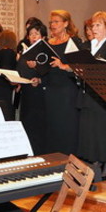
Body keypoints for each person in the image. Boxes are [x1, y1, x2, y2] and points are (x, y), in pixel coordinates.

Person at [77, 11, 106, 181]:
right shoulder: (87, 46)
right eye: (93, 25)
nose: (94, 28)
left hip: (103, 95)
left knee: (104, 131)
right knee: (90, 130)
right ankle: (95, 161)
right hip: (87, 92)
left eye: (98, 25)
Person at [39, 10, 82, 155]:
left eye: (56, 21)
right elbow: (44, 67)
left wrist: (63, 66)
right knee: (53, 125)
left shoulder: (74, 42)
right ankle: (54, 159)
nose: (52, 25)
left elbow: (81, 67)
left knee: (67, 125)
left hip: (67, 90)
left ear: (66, 23)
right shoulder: (47, 43)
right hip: (51, 89)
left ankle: (69, 158)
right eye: (51, 22)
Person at [16, 21, 48, 154]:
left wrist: (39, 79)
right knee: (26, 124)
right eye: (31, 34)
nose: (33, 36)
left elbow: (50, 73)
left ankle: (40, 152)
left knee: (39, 127)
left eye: (36, 33)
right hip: (27, 93)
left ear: (43, 37)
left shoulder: (46, 52)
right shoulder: (25, 52)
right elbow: (20, 70)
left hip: (40, 94)